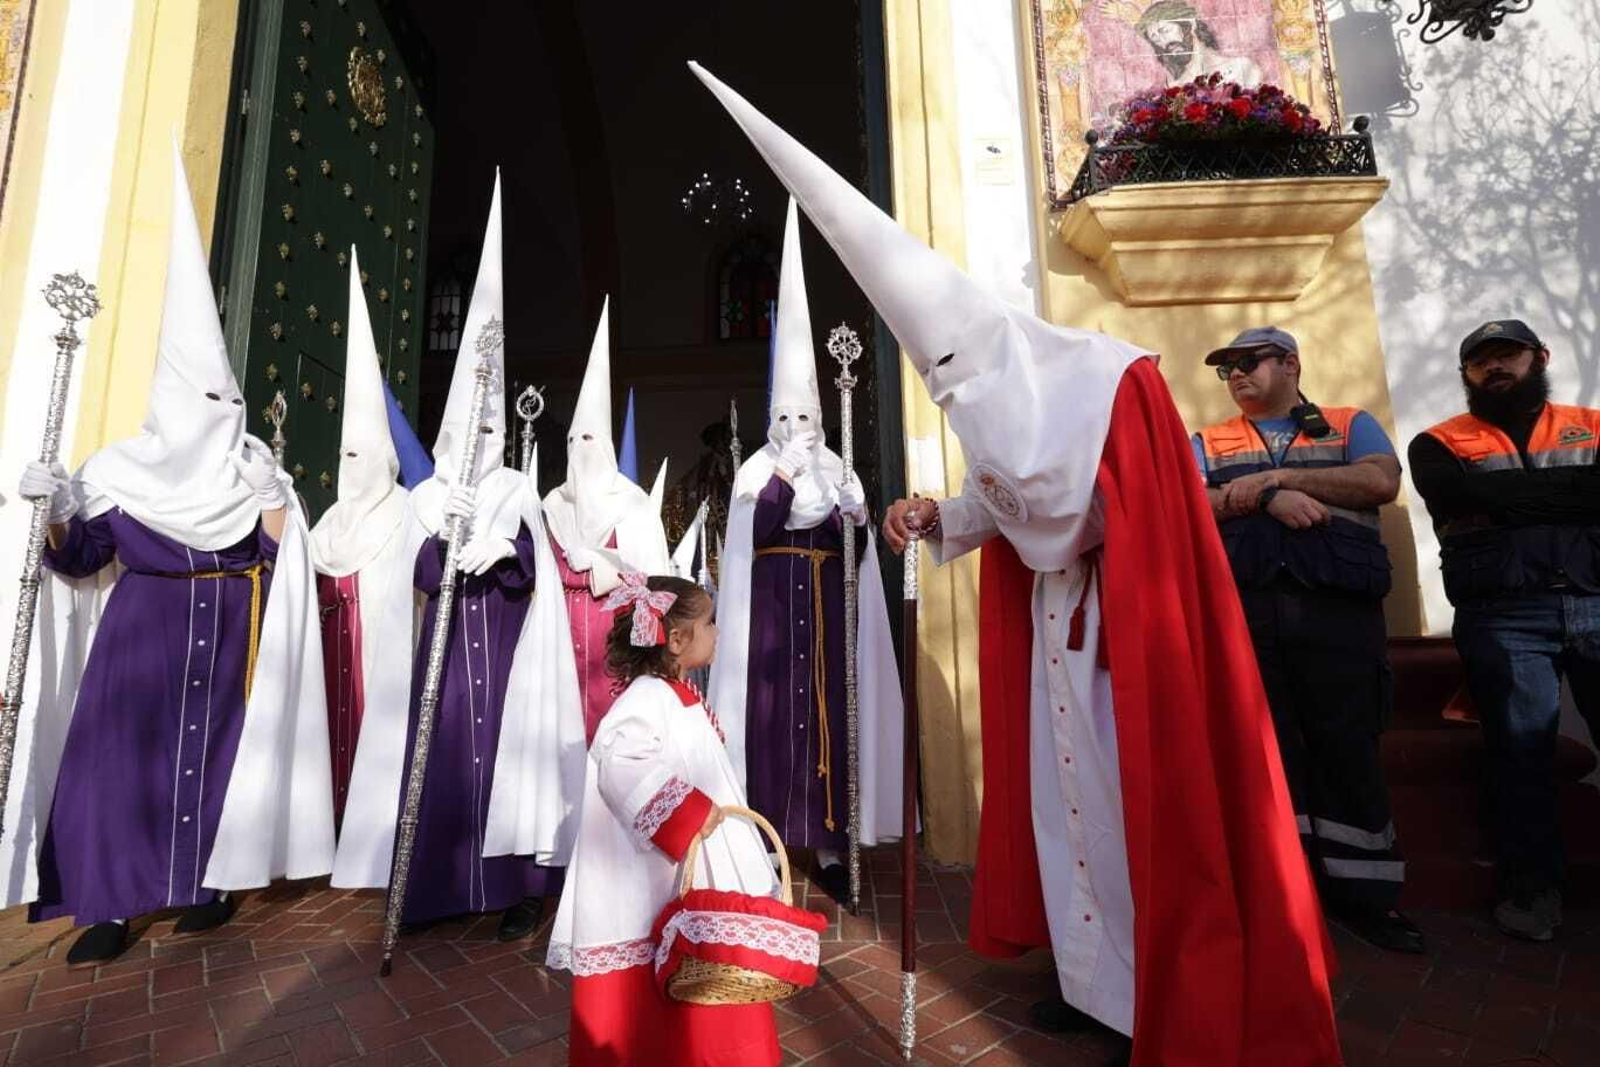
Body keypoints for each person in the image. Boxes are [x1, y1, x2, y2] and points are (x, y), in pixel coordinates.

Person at [691, 61, 1340, 1066]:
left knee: (1134, 819)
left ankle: (1153, 991)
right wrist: (939, 513)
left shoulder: (1104, 380)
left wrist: (999, 513)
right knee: (1062, 812)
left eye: (952, 370)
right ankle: (1091, 982)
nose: (949, 391)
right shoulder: (993, 395)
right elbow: (1014, 499)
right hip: (1050, 635)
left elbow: (1095, 507)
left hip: (1119, 637)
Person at [7, 143, 333, 964]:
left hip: (228, 632)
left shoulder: (248, 461)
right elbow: (81, 558)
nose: (225, 412)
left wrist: (271, 496)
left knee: (221, 755)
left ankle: (207, 885)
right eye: (210, 399)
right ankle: (111, 904)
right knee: (121, 764)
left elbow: (276, 560)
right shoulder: (119, 469)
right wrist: (51, 510)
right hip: (143, 632)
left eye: (232, 399)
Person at [331, 174, 568, 940]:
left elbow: (535, 573)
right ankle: (432, 886)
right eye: (473, 427)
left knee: (507, 754)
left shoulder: (516, 487)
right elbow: (418, 575)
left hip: (502, 649)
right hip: (444, 641)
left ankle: (517, 886)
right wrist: (443, 540)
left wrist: (503, 547)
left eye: (491, 431)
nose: (483, 442)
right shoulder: (430, 495)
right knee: (442, 758)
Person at [1193, 326, 1421, 954]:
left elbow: (1378, 482)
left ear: (1290, 363)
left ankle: (1367, 900)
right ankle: (1286, 898)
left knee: (1348, 752)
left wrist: (1279, 480)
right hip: (1249, 617)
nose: (1235, 376)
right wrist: (1266, 502)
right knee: (1268, 759)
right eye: (1226, 369)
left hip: (1337, 616)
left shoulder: (1349, 423)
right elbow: (1184, 501)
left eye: (1247, 363)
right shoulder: (1209, 439)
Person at [708, 197, 905, 903]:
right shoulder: (760, 471)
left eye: (806, 417)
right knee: (771, 724)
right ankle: (764, 840)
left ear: (822, 417)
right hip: (769, 626)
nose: (796, 426)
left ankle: (828, 844)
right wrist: (788, 474)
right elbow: (756, 533)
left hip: (824, 624)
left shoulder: (840, 465)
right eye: (785, 417)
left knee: (828, 727)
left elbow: (854, 555)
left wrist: (852, 513)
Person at [1408, 319, 1600, 943]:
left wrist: (1504, 499)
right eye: (1482, 361)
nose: (1497, 368)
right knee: (1521, 756)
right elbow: (1454, 500)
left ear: (1538, 358)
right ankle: (1532, 893)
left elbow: (1490, 503)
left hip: (1597, 596)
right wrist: (1573, 493)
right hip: (1504, 614)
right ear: (1466, 374)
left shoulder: (1591, 425)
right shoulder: (1438, 442)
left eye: (1508, 355)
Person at [547, 574, 781, 1066]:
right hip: (653, 878)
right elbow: (622, 765)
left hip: (687, 868)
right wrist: (691, 812)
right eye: (709, 623)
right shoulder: (646, 699)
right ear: (676, 640)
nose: (717, 633)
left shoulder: (675, 693)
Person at [309, 247, 421, 828]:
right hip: (332, 648)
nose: (351, 465)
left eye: (362, 455)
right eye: (344, 455)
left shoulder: (407, 511)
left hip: (382, 651)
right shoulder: (329, 520)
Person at [542, 299, 673, 744]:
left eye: (590, 438)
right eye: (573, 439)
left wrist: (600, 568)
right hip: (557, 649)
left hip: (615, 657)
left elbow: (657, 588)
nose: (581, 448)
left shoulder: (632, 505)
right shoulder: (550, 505)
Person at [1135, 0, 1263, 86]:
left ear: (1191, 24)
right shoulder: (1176, 87)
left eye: (1164, 31)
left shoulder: (1241, 68)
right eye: (1155, 39)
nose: (1163, 42)